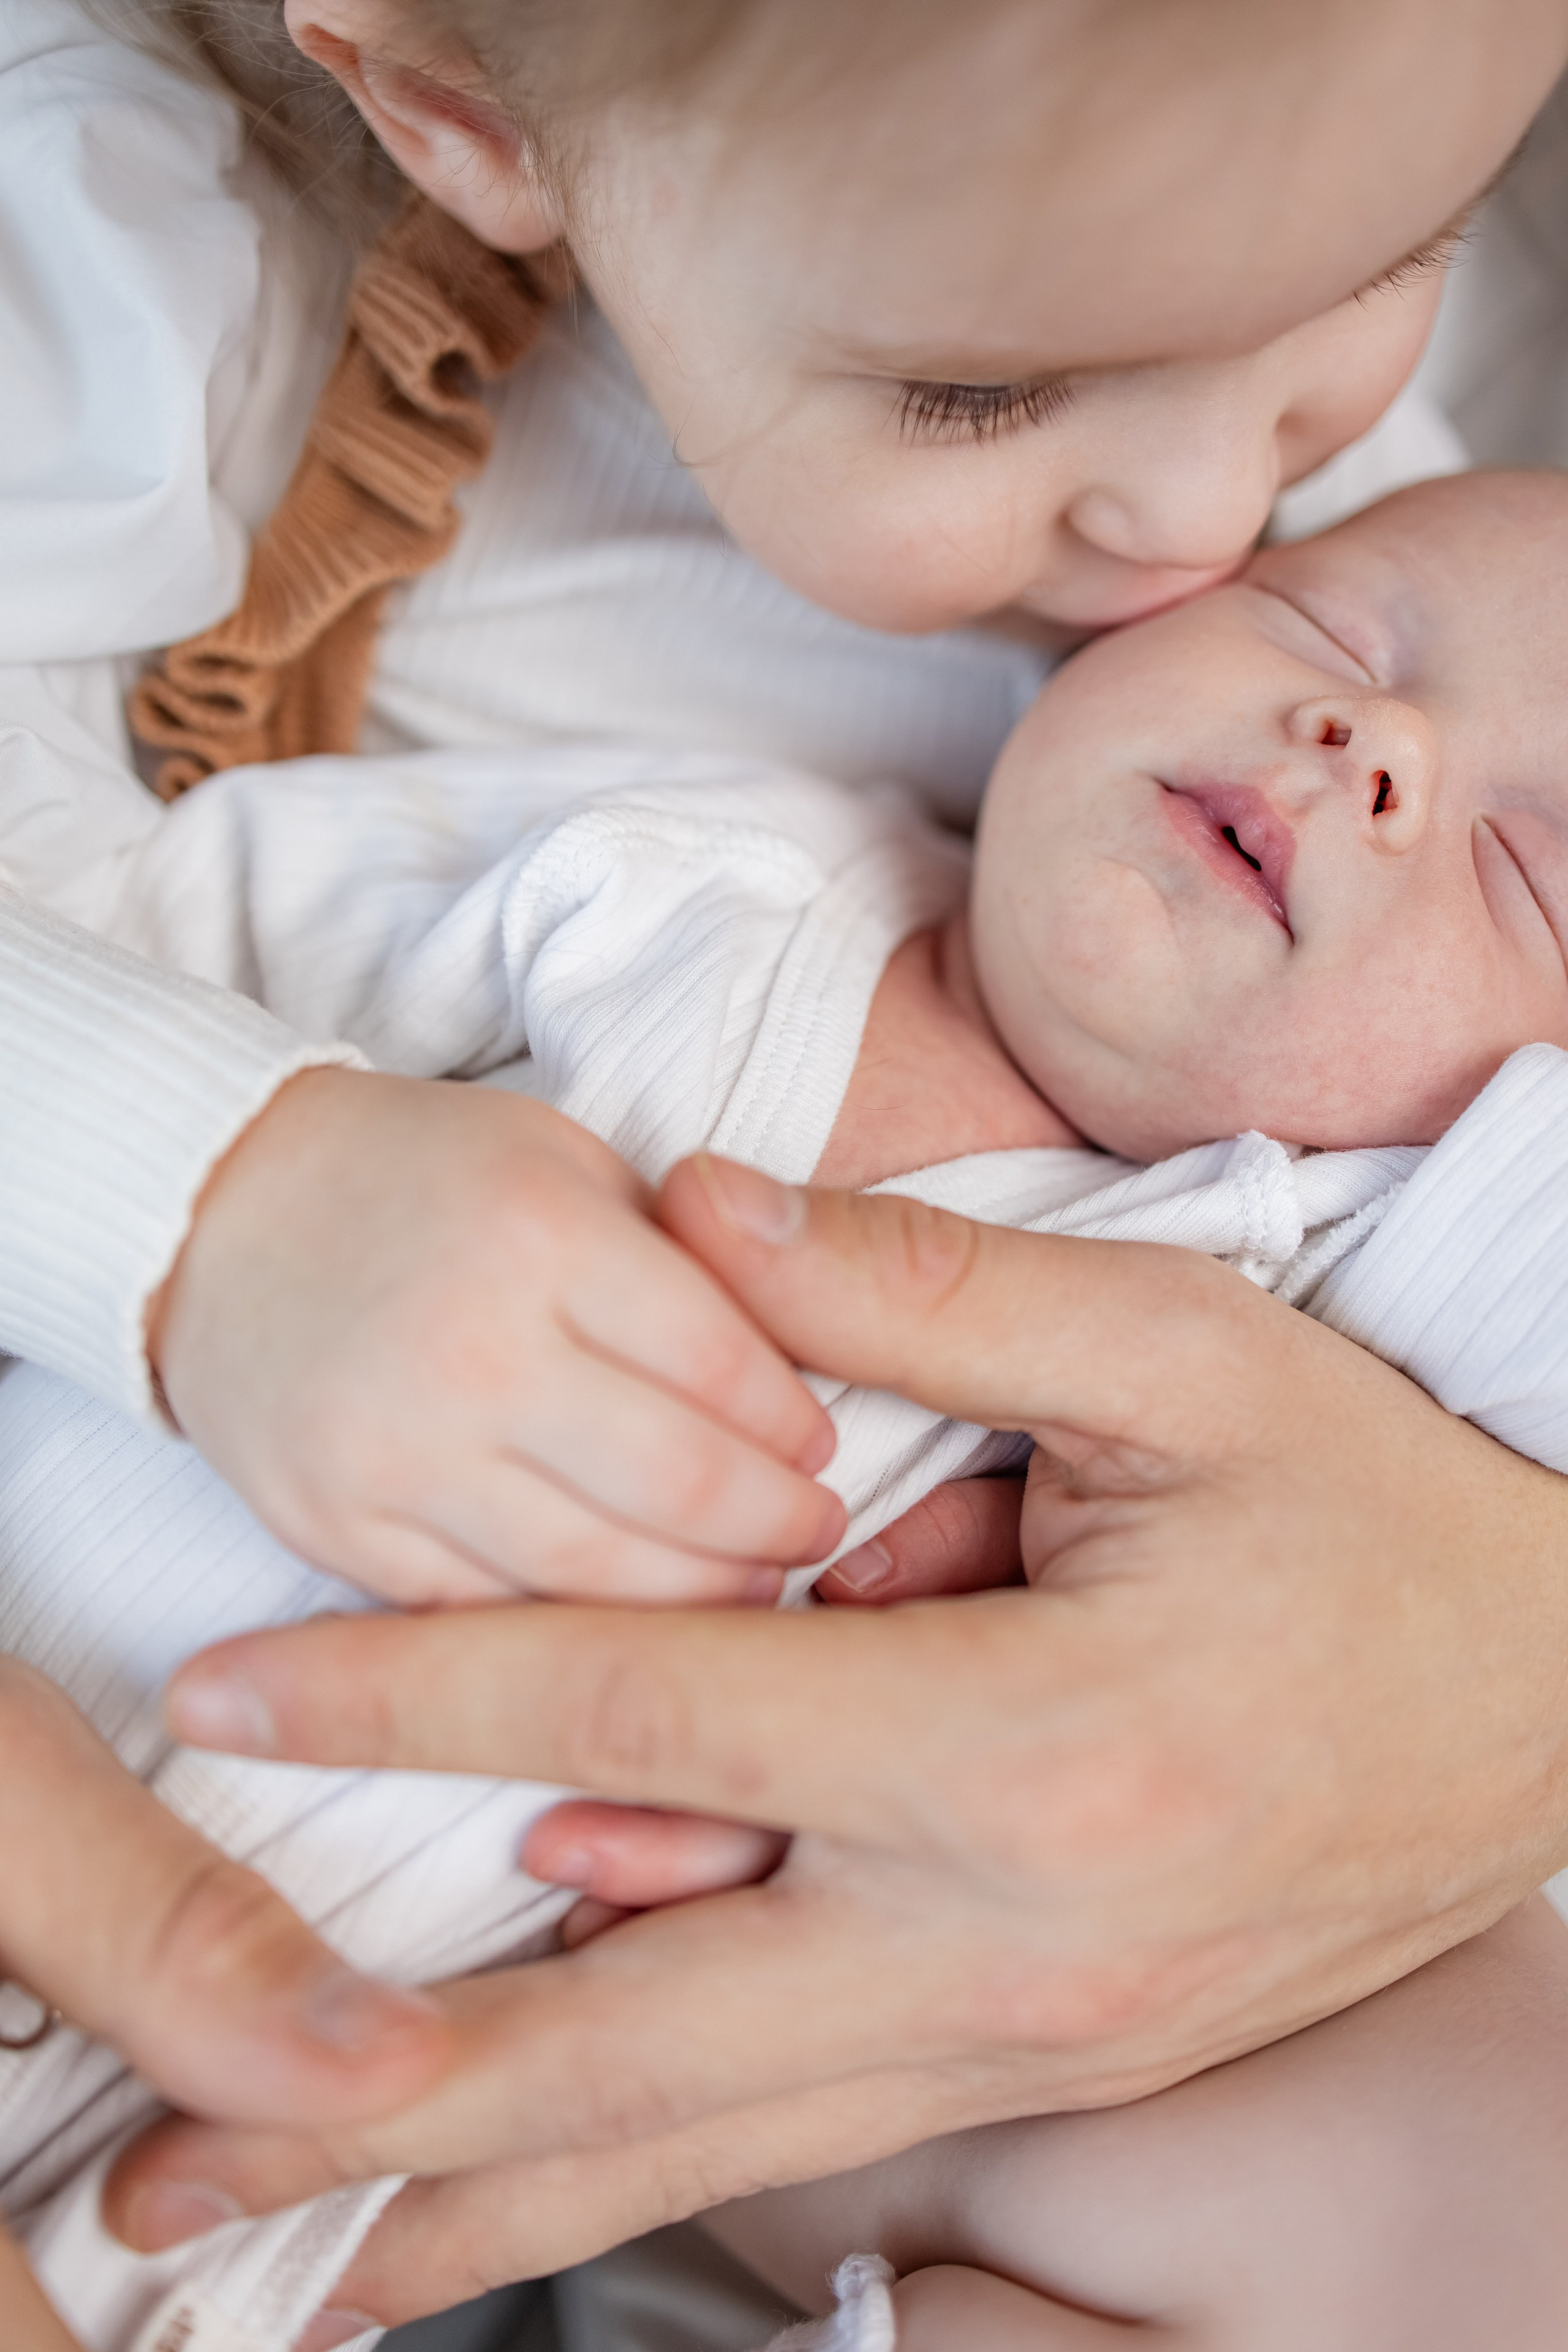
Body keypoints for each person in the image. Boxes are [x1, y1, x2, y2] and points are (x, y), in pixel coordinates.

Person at [6, 0, 1568, 2340]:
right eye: (987, 390)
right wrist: (227, 1191)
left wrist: (1498, 1680)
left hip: (281, 2193)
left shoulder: (1402, 1241)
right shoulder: (663, 885)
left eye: (1391, 261)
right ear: (449, 102)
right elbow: (123, 935)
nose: (1210, 528)